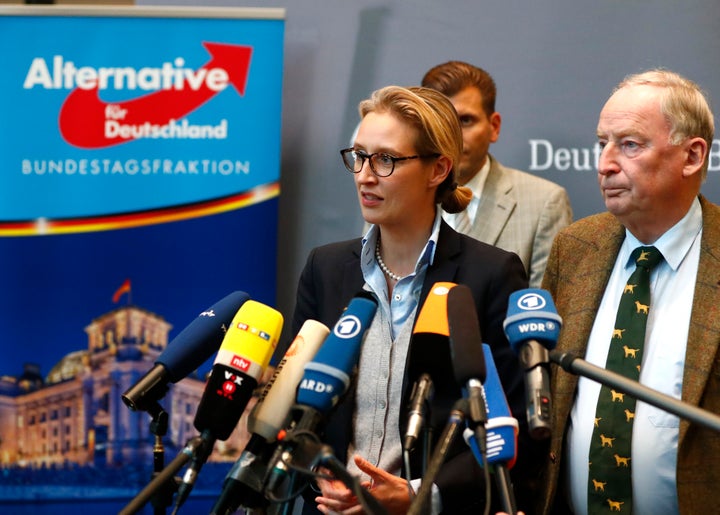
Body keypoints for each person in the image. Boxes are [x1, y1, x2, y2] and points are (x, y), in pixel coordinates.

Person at [287, 85, 541, 514]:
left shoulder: (490, 275)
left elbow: (513, 431)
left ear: (438, 169)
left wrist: (420, 494)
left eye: (386, 159)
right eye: (359, 155)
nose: (365, 174)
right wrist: (323, 474)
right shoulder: (326, 268)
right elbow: (298, 404)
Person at [538, 69, 720, 514]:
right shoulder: (575, 248)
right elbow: (546, 398)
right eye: (603, 143)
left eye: (630, 144)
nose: (604, 163)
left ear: (692, 155)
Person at [421, 61, 573, 288]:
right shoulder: (399, 197)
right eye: (441, 123)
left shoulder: (544, 203)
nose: (452, 136)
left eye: (465, 121)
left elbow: (544, 313)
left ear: (494, 127)